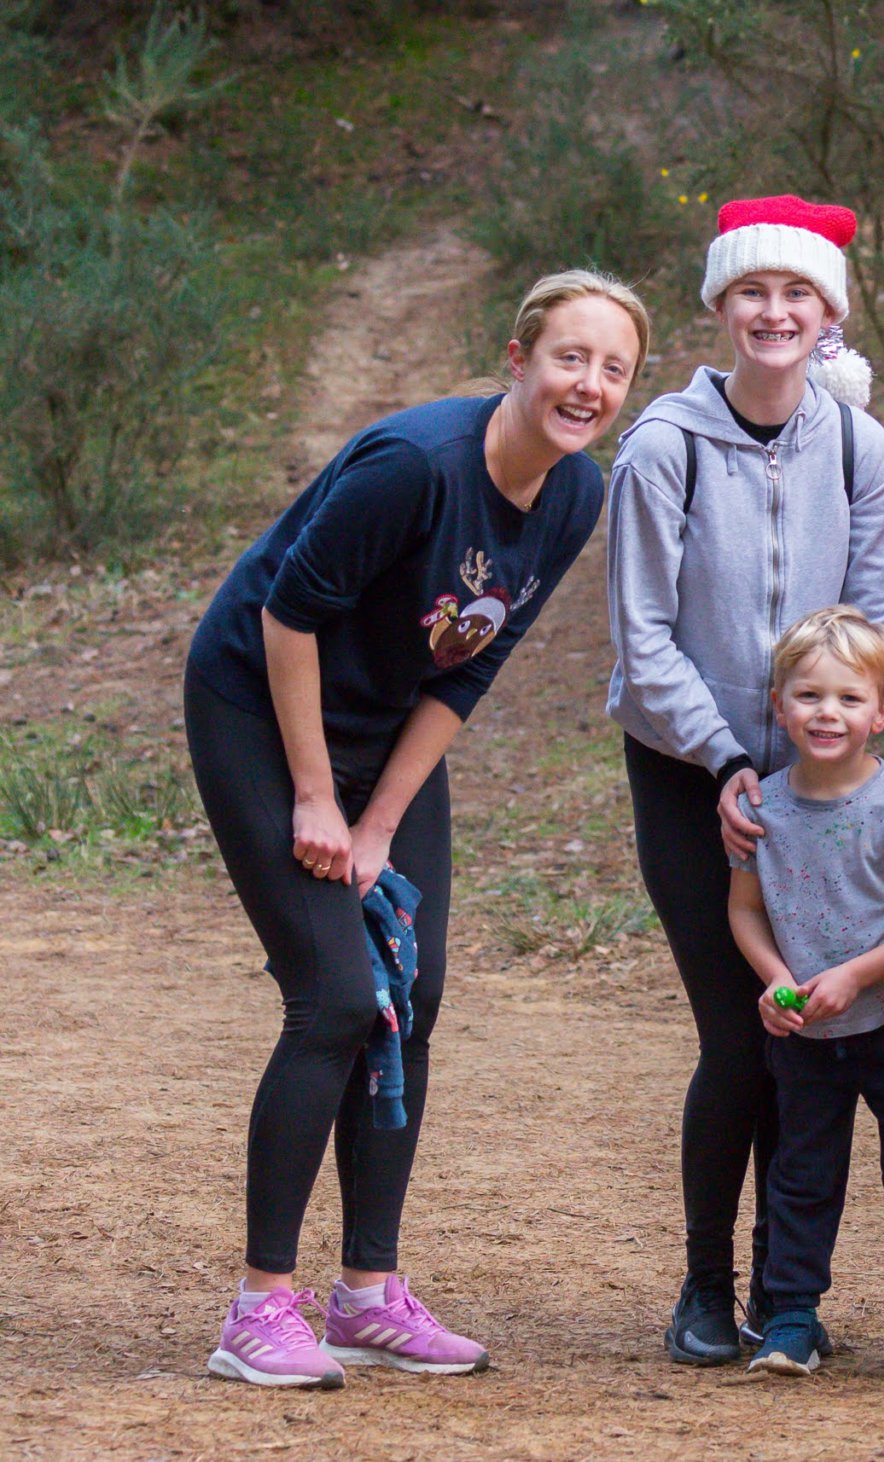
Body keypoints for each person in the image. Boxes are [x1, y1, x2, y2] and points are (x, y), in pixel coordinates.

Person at [184, 269, 650, 1388]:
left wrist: (379, 820)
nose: (585, 385)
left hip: (383, 730)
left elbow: (469, 664)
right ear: (518, 358)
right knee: (338, 998)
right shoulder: (415, 468)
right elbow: (286, 619)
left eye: (612, 369)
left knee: (413, 990)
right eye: (568, 358)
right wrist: (314, 798)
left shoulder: (576, 494)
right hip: (260, 706)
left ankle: (367, 1296)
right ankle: (258, 1306)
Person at [606, 195, 884, 1366]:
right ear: (720, 305)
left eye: (797, 294)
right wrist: (724, 760)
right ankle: (709, 1288)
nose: (774, 312)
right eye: (752, 291)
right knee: (744, 1030)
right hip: (691, 774)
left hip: (837, 787)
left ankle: (784, 1295)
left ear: (828, 313)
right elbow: (642, 638)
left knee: (819, 1034)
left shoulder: (857, 445)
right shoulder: (661, 447)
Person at [723, 606, 884, 1379]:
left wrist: (856, 974)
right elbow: (745, 908)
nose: (829, 714)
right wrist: (777, 981)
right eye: (810, 696)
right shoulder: (757, 809)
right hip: (808, 1038)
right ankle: (791, 1315)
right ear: (778, 705)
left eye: (850, 699)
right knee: (801, 1174)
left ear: (883, 711)